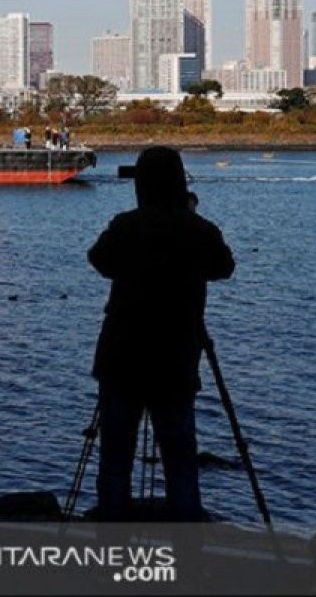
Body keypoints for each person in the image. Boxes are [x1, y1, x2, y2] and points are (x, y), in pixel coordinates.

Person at [88, 146, 235, 521]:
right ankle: (186, 552)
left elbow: (99, 259)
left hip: (121, 357)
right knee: (180, 460)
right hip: (176, 359)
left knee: (115, 461)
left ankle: (111, 546)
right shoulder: (198, 229)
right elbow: (223, 267)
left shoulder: (125, 225)